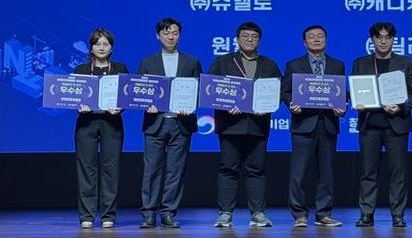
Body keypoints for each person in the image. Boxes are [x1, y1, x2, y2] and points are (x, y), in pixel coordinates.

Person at [209, 22, 281, 228]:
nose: (250, 40)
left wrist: (267, 107)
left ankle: (258, 213)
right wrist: (226, 106)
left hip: (257, 125)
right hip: (230, 124)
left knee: (257, 169)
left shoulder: (270, 65)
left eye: (254, 36)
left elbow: (277, 93)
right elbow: (211, 90)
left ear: (259, 40)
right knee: (228, 169)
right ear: (237, 39)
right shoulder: (223, 62)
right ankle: (225, 213)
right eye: (245, 36)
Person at [352, 22, 412, 228]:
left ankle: (398, 215)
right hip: (369, 125)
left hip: (397, 125)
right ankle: (366, 214)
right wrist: (357, 101)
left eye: (388, 37)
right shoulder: (360, 63)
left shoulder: (407, 62)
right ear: (372, 40)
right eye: (379, 37)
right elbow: (355, 90)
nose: (383, 41)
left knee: (398, 172)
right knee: (368, 172)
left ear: (393, 40)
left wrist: (401, 106)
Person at [138, 18, 203, 229]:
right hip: (155, 122)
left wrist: (191, 105)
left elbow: (199, 91)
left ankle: (168, 213)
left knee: (176, 171)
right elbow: (140, 91)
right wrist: (147, 104)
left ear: (180, 35)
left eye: (175, 32)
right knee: (151, 170)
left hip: (181, 123)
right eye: (166, 33)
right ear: (158, 36)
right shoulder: (147, 62)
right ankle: (148, 213)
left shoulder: (191, 62)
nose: (171, 36)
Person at [281, 25, 346, 227]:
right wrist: (291, 104)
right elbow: (285, 92)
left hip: (328, 124)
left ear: (326, 40)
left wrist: (342, 107)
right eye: (311, 36)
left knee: (326, 173)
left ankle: (323, 214)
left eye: (320, 36)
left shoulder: (338, 65)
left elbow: (342, 93)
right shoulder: (294, 65)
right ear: (305, 42)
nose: (316, 39)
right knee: (299, 173)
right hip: (303, 124)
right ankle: (299, 214)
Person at [73, 28, 129, 229]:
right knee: (86, 170)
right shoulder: (80, 70)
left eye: (106, 44)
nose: (102, 47)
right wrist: (79, 106)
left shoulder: (120, 69)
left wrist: (120, 107)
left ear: (112, 47)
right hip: (86, 123)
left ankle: (108, 215)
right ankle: (86, 215)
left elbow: (127, 96)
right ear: (91, 47)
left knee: (110, 170)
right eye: (98, 44)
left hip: (111, 123)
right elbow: (72, 96)